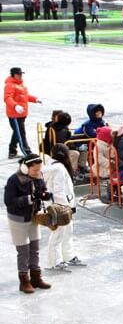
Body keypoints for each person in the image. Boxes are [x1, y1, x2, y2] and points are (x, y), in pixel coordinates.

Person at [5, 153, 53, 293]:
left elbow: (42, 189)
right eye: (34, 170)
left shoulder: (38, 176)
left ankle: (36, 278)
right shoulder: (14, 180)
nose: (37, 173)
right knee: (23, 251)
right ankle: (24, 281)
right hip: (18, 220)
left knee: (35, 248)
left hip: (33, 217)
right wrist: (30, 198)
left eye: (39, 170)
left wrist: (45, 194)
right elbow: (9, 202)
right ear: (26, 168)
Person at [43, 144, 85, 272]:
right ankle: (54, 262)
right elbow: (58, 191)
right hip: (59, 208)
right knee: (58, 234)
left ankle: (68, 256)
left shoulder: (56, 167)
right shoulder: (58, 169)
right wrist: (65, 208)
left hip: (63, 206)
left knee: (67, 232)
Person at [6, 67, 39, 158]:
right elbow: (7, 98)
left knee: (17, 132)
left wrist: (35, 99)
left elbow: (25, 96)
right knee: (21, 133)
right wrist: (15, 106)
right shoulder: (10, 85)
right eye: (19, 74)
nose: (21, 76)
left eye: (21, 74)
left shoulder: (21, 85)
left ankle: (12, 151)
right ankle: (27, 152)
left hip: (22, 114)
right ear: (14, 75)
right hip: (15, 115)